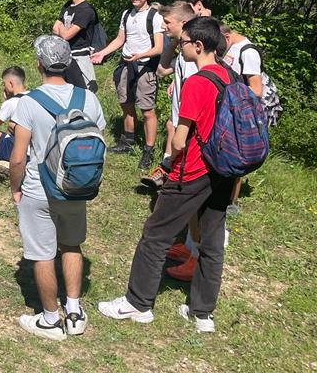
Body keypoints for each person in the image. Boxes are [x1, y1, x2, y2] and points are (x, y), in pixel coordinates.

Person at [99, 17, 233, 334]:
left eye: (182, 41)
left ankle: (138, 304)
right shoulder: (230, 76)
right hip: (224, 170)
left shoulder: (199, 82)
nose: (178, 45)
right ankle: (202, 315)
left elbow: (180, 138)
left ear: (198, 46)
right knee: (212, 242)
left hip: (195, 170)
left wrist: (170, 162)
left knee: (156, 234)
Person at [10, 35, 105, 341]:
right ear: (68, 62)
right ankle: (74, 312)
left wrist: (16, 189)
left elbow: (17, 157)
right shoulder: (87, 98)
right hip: (75, 186)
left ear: (39, 64)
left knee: (41, 254)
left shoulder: (29, 102)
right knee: (72, 245)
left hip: (40, 187)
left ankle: (50, 319)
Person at [91, 0, 164, 170]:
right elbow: (120, 39)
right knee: (126, 104)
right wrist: (103, 52)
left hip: (145, 68)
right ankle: (128, 142)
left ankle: (148, 151)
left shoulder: (155, 17)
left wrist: (141, 55)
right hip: (125, 65)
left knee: (147, 110)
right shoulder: (126, 14)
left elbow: (158, 48)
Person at [142, 1, 198, 188]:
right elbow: (162, 69)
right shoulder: (183, 51)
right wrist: (175, 41)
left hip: (188, 125)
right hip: (180, 121)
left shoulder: (193, 56)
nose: (162, 26)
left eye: (167, 22)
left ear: (183, 23)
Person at [220, 23, 264, 217]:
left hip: (239, 111)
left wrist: (233, 95)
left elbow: (256, 89)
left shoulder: (248, 52)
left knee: (236, 155)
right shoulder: (229, 47)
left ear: (227, 36)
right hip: (225, 107)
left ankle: (232, 201)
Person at [53, 0, 99, 92]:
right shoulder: (68, 5)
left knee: (84, 93)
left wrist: (62, 28)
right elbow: (55, 28)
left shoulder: (86, 10)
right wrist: (64, 29)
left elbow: (67, 35)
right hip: (64, 57)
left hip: (80, 59)